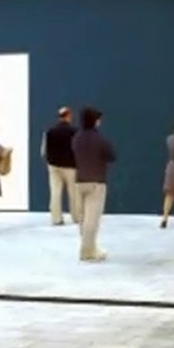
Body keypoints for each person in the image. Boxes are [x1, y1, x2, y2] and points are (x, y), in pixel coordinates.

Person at [72, 107, 116, 262]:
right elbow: (111, 156)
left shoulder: (76, 137)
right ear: (95, 121)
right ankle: (87, 251)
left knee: (83, 218)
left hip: (79, 180)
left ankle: (89, 247)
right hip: (96, 181)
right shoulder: (100, 139)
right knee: (92, 219)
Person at [42, 106, 80, 225]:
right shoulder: (75, 131)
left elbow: (43, 150)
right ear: (69, 116)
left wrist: (49, 161)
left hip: (54, 166)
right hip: (70, 166)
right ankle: (76, 217)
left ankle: (56, 218)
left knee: (55, 192)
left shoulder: (50, 131)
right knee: (74, 192)